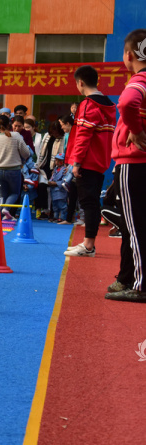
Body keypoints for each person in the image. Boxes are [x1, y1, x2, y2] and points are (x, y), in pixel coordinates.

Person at [105, 29, 146, 302]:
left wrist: (135, 127)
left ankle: (139, 284)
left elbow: (127, 102)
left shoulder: (139, 80)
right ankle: (128, 277)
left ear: (129, 55)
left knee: (134, 225)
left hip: (134, 160)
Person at [61, 65, 117, 256]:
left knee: (89, 203)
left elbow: (84, 135)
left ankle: (88, 245)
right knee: (90, 202)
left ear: (80, 82)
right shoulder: (108, 104)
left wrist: (76, 162)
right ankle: (88, 244)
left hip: (87, 161)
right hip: (100, 160)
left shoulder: (89, 104)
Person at [0, 114, 31, 220]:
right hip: (13, 170)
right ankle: (6, 209)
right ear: (9, 124)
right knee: (15, 192)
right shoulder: (17, 136)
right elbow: (26, 153)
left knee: (3, 194)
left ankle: (0, 217)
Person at [48, 153, 73, 223]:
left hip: (60, 190)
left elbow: (65, 180)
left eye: (59, 160)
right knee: (55, 205)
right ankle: (55, 216)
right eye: (56, 160)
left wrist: (56, 183)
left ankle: (62, 217)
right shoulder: (55, 170)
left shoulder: (65, 170)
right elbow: (52, 177)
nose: (57, 162)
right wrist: (50, 181)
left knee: (62, 204)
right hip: (53, 190)